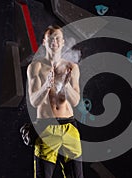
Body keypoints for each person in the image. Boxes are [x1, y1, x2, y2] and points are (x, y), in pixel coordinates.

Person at [27, 25, 83, 178]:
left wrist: (66, 86)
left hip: (69, 126)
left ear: (63, 42)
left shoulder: (72, 67)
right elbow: (34, 101)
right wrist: (46, 86)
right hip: (46, 127)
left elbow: (76, 101)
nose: (55, 41)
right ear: (44, 42)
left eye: (58, 38)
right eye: (51, 38)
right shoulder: (35, 67)